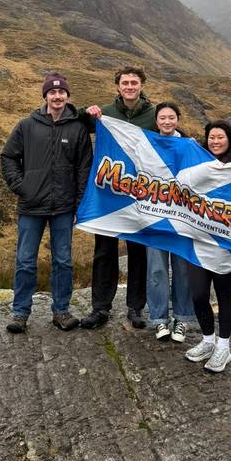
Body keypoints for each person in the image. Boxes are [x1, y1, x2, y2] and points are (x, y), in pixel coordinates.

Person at [0, 73, 93, 334]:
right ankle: (20, 313)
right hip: (31, 207)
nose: (57, 96)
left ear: (67, 96)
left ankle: (61, 311)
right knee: (25, 260)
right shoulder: (26, 125)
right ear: (45, 96)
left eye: (61, 92)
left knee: (63, 260)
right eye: (52, 93)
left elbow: (84, 169)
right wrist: (22, 187)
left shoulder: (78, 128)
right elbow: (8, 157)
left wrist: (78, 205)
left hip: (64, 208)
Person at [79, 66, 157, 330]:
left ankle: (135, 307)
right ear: (118, 86)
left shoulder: (155, 115)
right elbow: (77, 120)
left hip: (142, 195)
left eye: (134, 82)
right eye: (125, 83)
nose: (130, 86)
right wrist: (87, 113)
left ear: (142, 85)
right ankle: (100, 308)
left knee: (138, 250)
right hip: (110, 193)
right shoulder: (106, 114)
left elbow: (171, 140)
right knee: (104, 251)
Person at [184, 121, 231, 373]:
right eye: (211, 137)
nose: (215, 141)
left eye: (220, 137)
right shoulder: (200, 165)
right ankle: (208, 340)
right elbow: (178, 183)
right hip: (198, 243)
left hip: (224, 245)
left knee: (223, 295)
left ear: (229, 140)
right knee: (198, 295)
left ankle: (224, 347)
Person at [146, 102, 196, 343]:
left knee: (182, 270)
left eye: (171, 117)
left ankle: (182, 320)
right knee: (156, 269)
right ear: (156, 121)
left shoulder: (190, 146)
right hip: (155, 217)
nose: (167, 122)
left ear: (178, 119)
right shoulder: (148, 145)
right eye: (162, 118)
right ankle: (159, 320)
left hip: (183, 220)